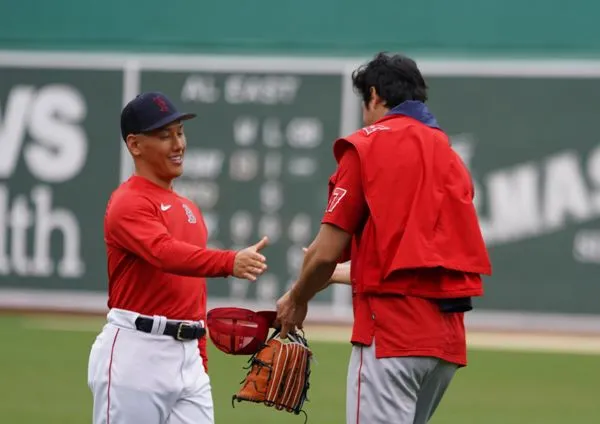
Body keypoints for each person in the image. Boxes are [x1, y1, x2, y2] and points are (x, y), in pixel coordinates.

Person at [275, 53, 492, 424]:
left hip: (390, 338)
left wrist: (298, 297)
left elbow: (325, 253)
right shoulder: (451, 157)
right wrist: (332, 276)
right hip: (444, 349)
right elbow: (410, 259)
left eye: (365, 104)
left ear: (374, 95)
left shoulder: (368, 145)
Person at [87, 91, 269, 424]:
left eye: (180, 132)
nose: (178, 144)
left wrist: (199, 358)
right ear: (135, 144)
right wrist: (229, 262)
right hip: (136, 352)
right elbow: (163, 253)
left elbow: (191, 293)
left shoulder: (189, 209)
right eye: (164, 135)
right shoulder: (128, 202)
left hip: (187, 357)